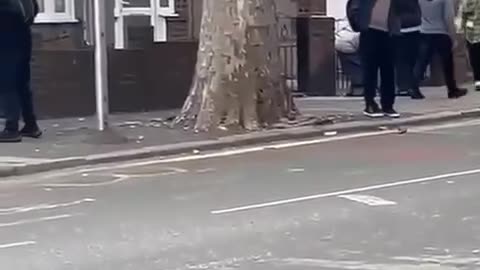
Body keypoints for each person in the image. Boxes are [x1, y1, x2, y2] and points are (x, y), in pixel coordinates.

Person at [347, 0, 401, 118]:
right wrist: (358, 24)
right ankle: (370, 104)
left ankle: (388, 105)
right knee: (370, 69)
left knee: (388, 70)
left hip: (389, 33)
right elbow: (353, 7)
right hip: (369, 32)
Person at [0, 0, 42, 143]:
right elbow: (35, 9)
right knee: (21, 81)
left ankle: (11, 129)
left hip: (6, 37)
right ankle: (31, 125)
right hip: (23, 36)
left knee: (6, 80)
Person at [411, 0, 468, 99]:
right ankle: (452, 90)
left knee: (421, 62)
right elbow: (448, 18)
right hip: (441, 33)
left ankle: (413, 88)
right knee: (447, 64)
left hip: (425, 31)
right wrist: (453, 36)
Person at [395, 0, 422, 97]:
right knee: (413, 59)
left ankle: (403, 86)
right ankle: (411, 85)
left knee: (401, 59)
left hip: (399, 27)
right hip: (414, 26)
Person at [335, 19, 363, 96]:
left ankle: (356, 87)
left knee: (352, 67)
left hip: (342, 40)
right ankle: (359, 88)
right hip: (351, 40)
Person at [458, 0, 480, 91]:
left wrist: (460, 30)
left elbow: (461, 17)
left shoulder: (465, 2)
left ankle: (478, 81)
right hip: (473, 33)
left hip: (471, 34)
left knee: (474, 58)